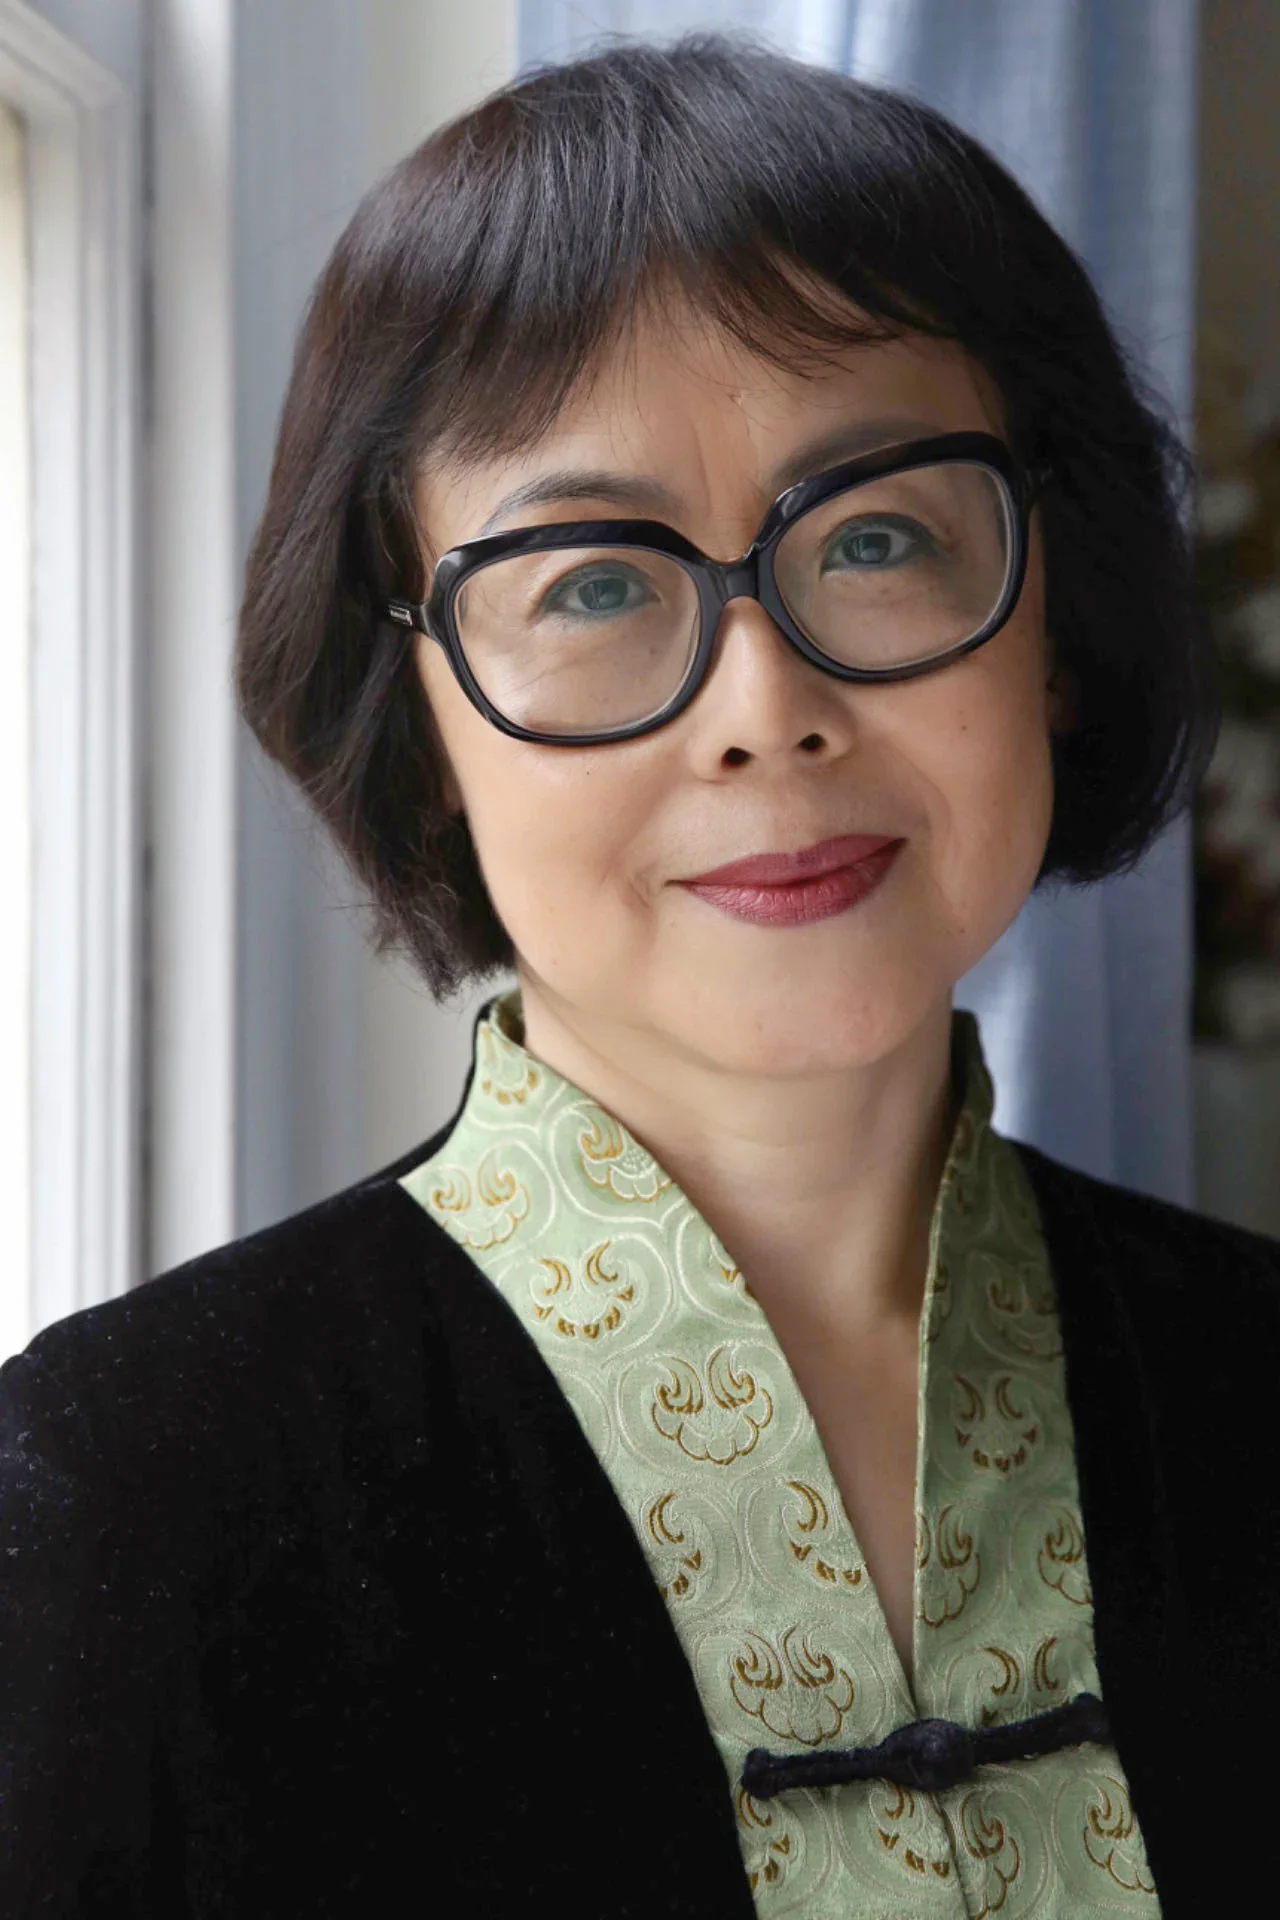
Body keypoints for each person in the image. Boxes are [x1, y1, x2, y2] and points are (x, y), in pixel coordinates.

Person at [2, 29, 1274, 1919]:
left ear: (1057, 632)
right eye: (593, 582)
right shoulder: (119, 1501)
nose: (765, 709)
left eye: (876, 537)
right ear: (422, 723)